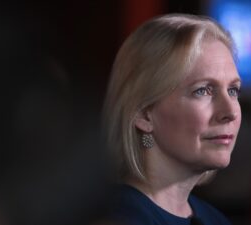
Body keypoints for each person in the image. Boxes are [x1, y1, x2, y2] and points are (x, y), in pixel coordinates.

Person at [102, 13, 242, 225]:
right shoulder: (116, 218)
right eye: (203, 90)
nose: (230, 111)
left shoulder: (215, 219)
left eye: (233, 90)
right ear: (143, 113)